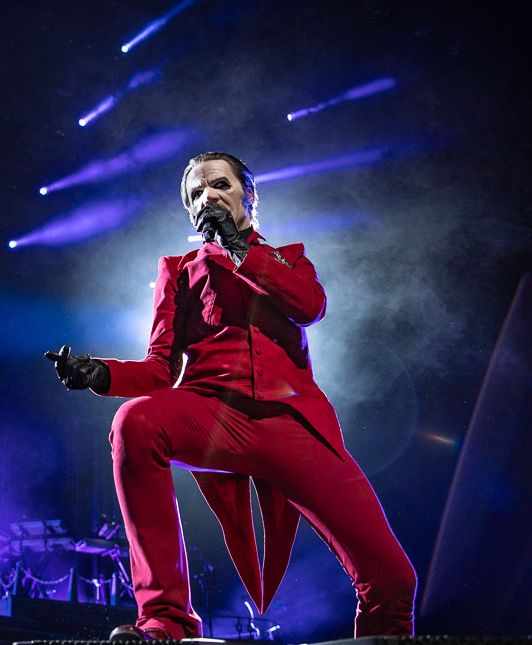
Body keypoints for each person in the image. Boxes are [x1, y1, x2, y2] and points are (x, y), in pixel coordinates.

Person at [45, 152, 416, 642]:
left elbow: (309, 307)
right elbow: (160, 368)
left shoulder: (289, 257)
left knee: (393, 577)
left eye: (219, 185)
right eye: (196, 194)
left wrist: (239, 247)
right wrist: (100, 373)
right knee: (135, 421)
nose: (207, 197)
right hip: (212, 415)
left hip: (291, 423)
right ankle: (164, 620)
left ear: (248, 194)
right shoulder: (177, 271)